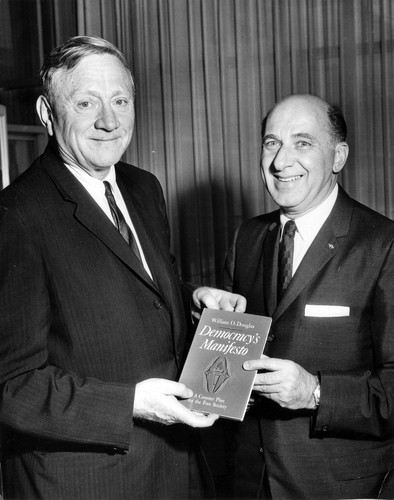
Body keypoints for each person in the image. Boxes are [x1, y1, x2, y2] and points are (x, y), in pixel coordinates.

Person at [0, 35, 245, 499]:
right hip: (86, 483)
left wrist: (192, 297)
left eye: (120, 100)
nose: (108, 121)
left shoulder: (143, 187)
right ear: (46, 114)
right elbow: (11, 386)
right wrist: (132, 404)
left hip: (177, 469)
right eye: (86, 102)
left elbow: (138, 284)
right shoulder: (16, 216)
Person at [223, 94, 394, 499]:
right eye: (271, 143)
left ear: (338, 157)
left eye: (302, 142)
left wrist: (315, 392)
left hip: (340, 487)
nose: (281, 162)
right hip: (250, 483)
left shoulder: (383, 245)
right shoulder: (248, 237)